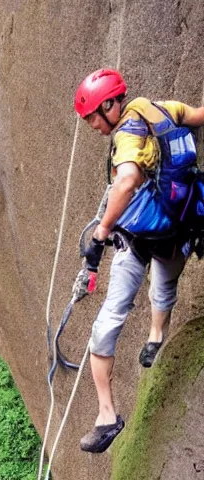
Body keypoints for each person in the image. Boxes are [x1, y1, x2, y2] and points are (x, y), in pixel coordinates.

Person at [73, 68, 204, 454]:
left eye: (95, 116)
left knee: (109, 320)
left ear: (112, 104)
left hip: (134, 236)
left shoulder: (127, 134)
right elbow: (197, 114)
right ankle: (156, 337)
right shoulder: (163, 110)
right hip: (172, 232)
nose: (93, 125)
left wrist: (100, 234)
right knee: (163, 288)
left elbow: (127, 179)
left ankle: (106, 415)